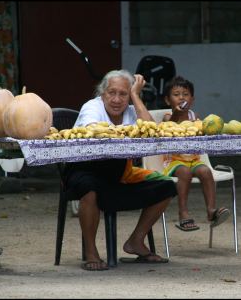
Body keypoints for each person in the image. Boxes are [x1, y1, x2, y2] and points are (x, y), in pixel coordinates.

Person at [64, 70, 177, 271]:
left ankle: (135, 241)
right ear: (102, 94)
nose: (116, 99)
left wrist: (135, 96)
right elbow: (95, 133)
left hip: (118, 175)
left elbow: (152, 131)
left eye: (123, 94)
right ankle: (91, 251)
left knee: (166, 186)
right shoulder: (92, 107)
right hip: (84, 170)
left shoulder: (132, 111)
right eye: (111, 93)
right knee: (90, 189)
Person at [161, 76, 230, 232]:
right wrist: (176, 115)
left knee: (205, 171)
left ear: (192, 99)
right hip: (174, 161)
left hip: (194, 159)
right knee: (184, 173)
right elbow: (168, 125)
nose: (181, 98)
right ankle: (183, 213)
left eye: (185, 94)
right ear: (167, 100)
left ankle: (211, 211)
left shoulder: (195, 117)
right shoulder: (167, 116)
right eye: (176, 94)